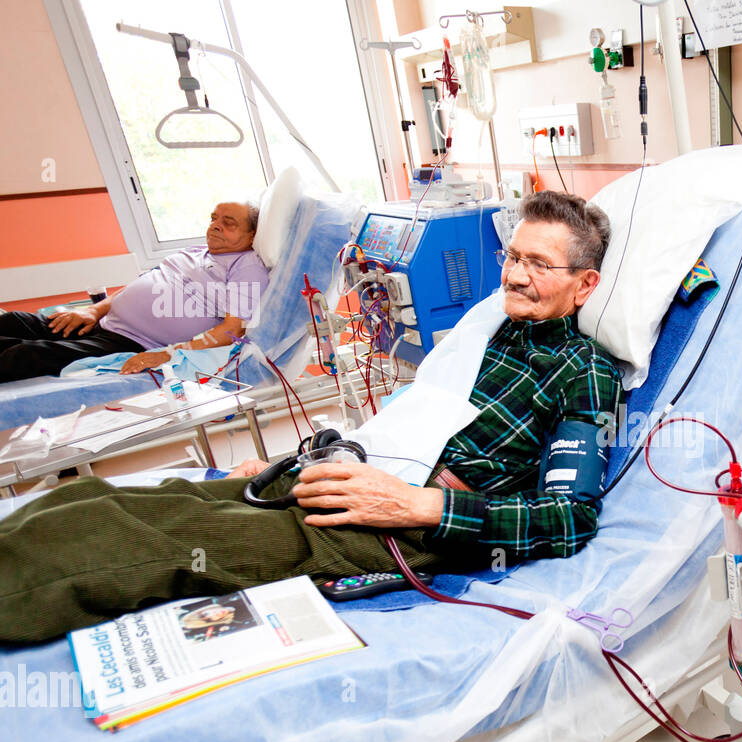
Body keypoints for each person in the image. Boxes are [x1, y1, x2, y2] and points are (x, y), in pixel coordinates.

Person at [0, 191, 622, 643]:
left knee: (123, 543)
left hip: (403, 523)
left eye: (540, 264)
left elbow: (569, 520)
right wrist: (287, 463)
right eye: (514, 256)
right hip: (350, 473)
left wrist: (411, 506)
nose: (516, 275)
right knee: (93, 500)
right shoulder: (488, 327)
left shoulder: (581, 371)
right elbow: (415, 414)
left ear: (586, 285)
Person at [0, 201, 269, 382]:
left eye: (229, 223)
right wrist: (93, 310)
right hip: (101, 323)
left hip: (130, 342)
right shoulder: (194, 252)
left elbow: (234, 329)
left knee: (22, 355)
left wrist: (170, 352)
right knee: (10, 322)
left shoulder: (247, 268)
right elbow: (142, 284)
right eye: (214, 219)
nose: (215, 226)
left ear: (252, 235)